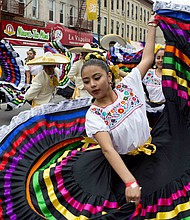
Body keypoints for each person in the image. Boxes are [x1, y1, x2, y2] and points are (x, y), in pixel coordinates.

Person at [142, 46, 166, 127]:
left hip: (167, 112)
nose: (160, 60)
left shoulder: (172, 75)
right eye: (158, 58)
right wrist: (115, 70)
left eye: (163, 58)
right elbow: (133, 77)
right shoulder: (149, 73)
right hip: (149, 111)